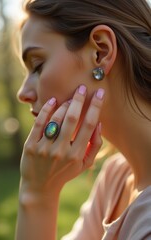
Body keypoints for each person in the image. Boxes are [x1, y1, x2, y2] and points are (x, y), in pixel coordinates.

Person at [15, 0, 151, 239]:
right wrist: (38, 192)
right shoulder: (116, 177)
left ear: (101, 52)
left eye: (37, 66)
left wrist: (37, 198)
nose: (23, 93)